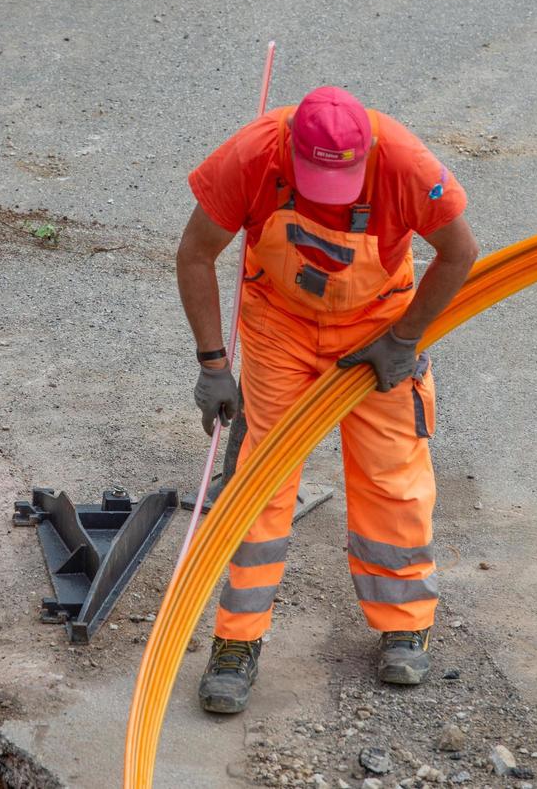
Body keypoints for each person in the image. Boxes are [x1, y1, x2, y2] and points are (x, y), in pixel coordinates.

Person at [176, 86, 478, 714]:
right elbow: (196, 253)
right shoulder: (253, 153)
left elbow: (460, 254)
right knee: (261, 478)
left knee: (391, 475)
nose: (323, 196)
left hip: (377, 326)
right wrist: (213, 365)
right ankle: (236, 642)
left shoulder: (404, 162)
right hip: (279, 324)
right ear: (290, 147)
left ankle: (403, 626)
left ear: (366, 152)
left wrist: (405, 340)